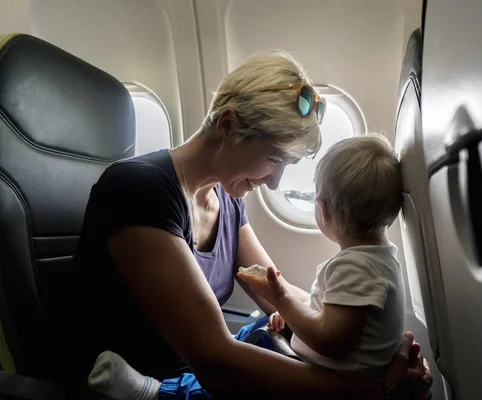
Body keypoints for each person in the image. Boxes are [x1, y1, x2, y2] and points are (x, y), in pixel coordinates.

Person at [75, 49, 432, 400]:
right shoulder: (138, 191)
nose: (275, 182)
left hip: (204, 371)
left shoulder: (227, 201)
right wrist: (373, 389)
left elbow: (273, 289)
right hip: (145, 383)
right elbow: (215, 360)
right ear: (227, 125)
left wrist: (374, 355)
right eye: (273, 159)